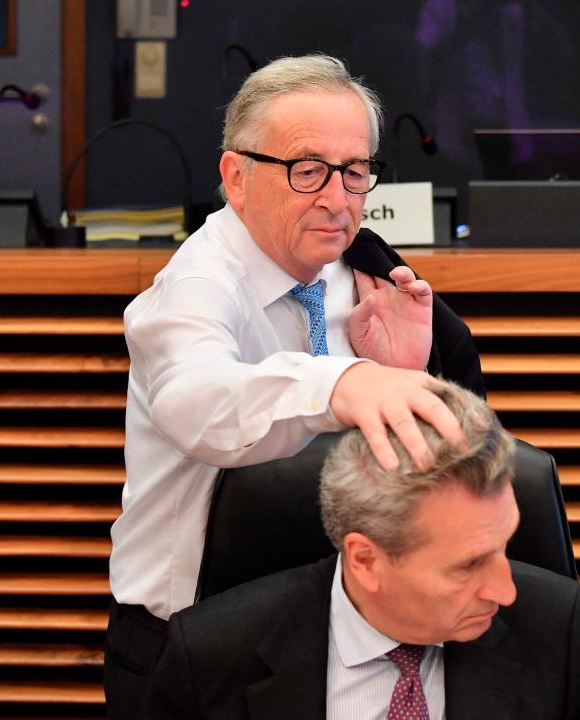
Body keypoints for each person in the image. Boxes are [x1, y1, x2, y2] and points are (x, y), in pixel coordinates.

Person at [104, 54, 484, 718]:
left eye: (355, 171)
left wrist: (405, 377)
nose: (338, 199)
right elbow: (196, 402)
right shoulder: (195, 284)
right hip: (191, 647)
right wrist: (343, 382)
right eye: (307, 170)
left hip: (331, 641)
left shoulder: (366, 269)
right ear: (236, 176)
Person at [148, 379, 580, 719]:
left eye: (505, 545)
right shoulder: (211, 657)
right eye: (469, 565)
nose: (505, 590)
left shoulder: (557, 630)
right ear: (365, 560)